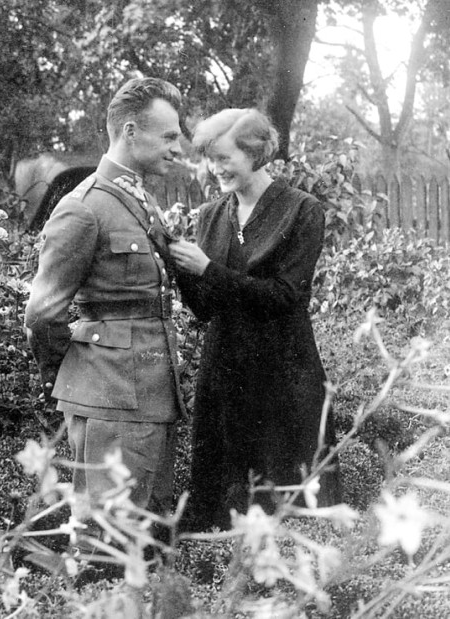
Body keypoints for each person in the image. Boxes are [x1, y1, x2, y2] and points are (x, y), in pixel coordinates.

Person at [168, 108, 343, 531]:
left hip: (283, 370)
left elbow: (286, 297)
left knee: (289, 503)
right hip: (225, 369)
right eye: (210, 159)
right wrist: (178, 266)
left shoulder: (302, 210)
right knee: (222, 505)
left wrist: (209, 269)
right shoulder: (211, 214)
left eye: (224, 158)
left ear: (255, 153)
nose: (215, 168)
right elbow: (206, 308)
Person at [24, 77, 186, 534]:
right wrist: (81, 374)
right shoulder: (84, 207)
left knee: (146, 534)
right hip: (109, 397)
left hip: (152, 393)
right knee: (105, 540)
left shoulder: (140, 199)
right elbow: (42, 315)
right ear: (131, 132)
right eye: (168, 136)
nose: (177, 148)